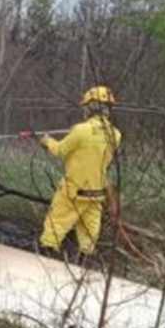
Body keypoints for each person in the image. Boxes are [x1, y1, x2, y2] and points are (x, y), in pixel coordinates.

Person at [38, 85, 122, 258]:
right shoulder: (116, 135)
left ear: (90, 107)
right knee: (89, 239)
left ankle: (45, 261)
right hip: (96, 194)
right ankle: (84, 270)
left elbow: (60, 150)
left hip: (73, 192)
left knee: (53, 230)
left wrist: (47, 142)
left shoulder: (80, 130)